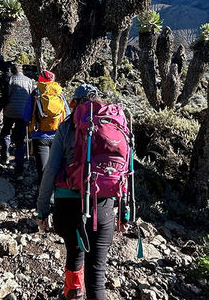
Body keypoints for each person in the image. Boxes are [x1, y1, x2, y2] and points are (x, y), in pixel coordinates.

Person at [36, 84, 126, 300]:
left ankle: (73, 294)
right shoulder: (114, 124)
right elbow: (126, 172)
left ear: (75, 102)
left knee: (75, 257)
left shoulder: (67, 127)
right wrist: (124, 214)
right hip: (103, 207)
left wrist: (42, 209)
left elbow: (50, 171)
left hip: (68, 207)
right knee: (97, 272)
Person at [22, 70, 69, 185]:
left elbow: (26, 116)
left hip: (39, 136)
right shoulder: (59, 94)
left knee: (43, 169)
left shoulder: (35, 93)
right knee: (57, 167)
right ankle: (56, 196)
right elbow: (67, 115)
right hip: (58, 136)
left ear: (40, 80)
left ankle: (43, 198)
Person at [0, 62, 35, 177]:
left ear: (13, 70)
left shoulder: (10, 80)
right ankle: (19, 167)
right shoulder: (29, 81)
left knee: (5, 132)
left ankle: (5, 156)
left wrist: (0, 109)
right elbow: (31, 97)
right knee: (20, 141)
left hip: (9, 111)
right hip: (23, 113)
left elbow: (5, 96)